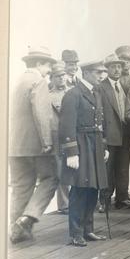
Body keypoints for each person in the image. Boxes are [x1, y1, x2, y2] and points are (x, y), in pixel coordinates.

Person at [9, 47, 59, 243]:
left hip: (14, 145)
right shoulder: (38, 81)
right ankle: (28, 217)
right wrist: (47, 141)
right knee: (51, 178)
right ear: (39, 64)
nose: (49, 70)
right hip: (35, 145)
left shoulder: (18, 81)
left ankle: (16, 230)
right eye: (48, 66)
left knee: (21, 187)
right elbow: (42, 113)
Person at [59, 60, 110, 246]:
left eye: (103, 72)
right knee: (80, 189)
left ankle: (88, 230)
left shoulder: (96, 92)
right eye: (98, 72)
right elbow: (66, 125)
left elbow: (100, 124)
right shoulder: (73, 94)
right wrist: (72, 152)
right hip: (81, 145)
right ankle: (75, 232)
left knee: (93, 188)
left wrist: (104, 147)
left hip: (95, 144)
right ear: (86, 72)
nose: (102, 75)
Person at [97, 53, 130, 213]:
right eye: (113, 67)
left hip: (125, 133)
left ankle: (122, 198)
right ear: (107, 69)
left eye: (119, 66)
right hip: (109, 134)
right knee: (108, 168)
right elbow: (98, 112)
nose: (117, 70)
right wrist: (102, 135)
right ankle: (104, 200)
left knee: (123, 166)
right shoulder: (101, 87)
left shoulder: (125, 86)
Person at [48, 61, 73, 215]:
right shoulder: (48, 96)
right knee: (60, 169)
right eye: (57, 76)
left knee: (75, 167)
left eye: (63, 75)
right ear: (52, 78)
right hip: (56, 136)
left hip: (72, 135)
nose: (61, 79)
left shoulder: (72, 91)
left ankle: (76, 202)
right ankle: (64, 205)